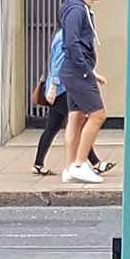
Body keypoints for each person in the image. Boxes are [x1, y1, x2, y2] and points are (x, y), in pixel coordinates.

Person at [31, 28, 115, 177]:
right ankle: (95, 163)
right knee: (78, 125)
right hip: (63, 89)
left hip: (62, 87)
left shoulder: (62, 35)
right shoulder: (65, 37)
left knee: (53, 127)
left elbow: (76, 61)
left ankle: (38, 164)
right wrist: (53, 87)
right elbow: (58, 63)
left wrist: (93, 74)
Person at [59, 0, 108, 184]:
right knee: (98, 115)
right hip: (77, 72)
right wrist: (85, 70)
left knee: (76, 117)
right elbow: (71, 42)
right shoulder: (77, 11)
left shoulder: (77, 9)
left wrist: (91, 70)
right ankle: (80, 164)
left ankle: (70, 168)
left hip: (76, 70)